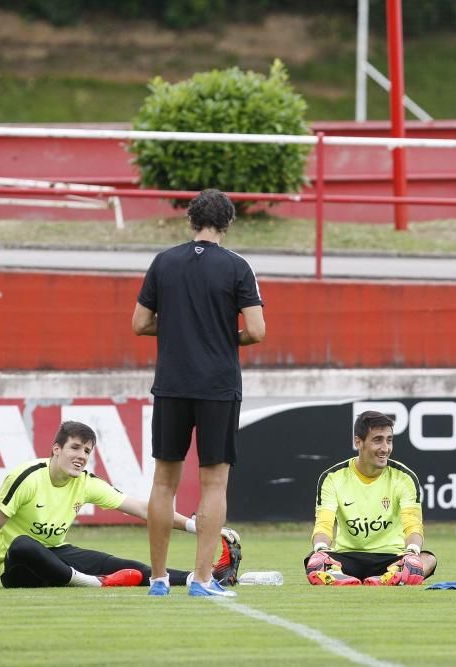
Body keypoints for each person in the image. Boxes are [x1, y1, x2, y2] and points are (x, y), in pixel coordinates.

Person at [132, 188, 266, 597]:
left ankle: (157, 579)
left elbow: (139, 323)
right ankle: (203, 580)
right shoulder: (237, 266)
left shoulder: (163, 262)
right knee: (213, 485)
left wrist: (175, 329)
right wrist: (222, 337)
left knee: (163, 483)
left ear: (191, 221)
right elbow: (257, 331)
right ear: (228, 224)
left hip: (172, 384)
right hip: (218, 386)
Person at [0, 421, 242, 591]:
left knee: (123, 563)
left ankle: (199, 578)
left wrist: (196, 526)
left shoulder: (87, 482)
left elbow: (142, 508)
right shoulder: (26, 477)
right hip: (19, 569)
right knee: (23, 544)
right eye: (75, 448)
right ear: (56, 449)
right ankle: (93, 584)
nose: (81, 455)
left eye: (87, 450)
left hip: (57, 555)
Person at [304, 410, 438, 586]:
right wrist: (321, 550)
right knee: (314, 560)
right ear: (358, 442)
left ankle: (383, 577)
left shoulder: (404, 477)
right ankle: (389, 580)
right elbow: (323, 525)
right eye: (378, 440)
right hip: (347, 557)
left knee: (427, 559)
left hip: (392, 558)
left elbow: (413, 525)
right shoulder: (332, 477)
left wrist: (412, 552)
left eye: (389, 440)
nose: (385, 448)